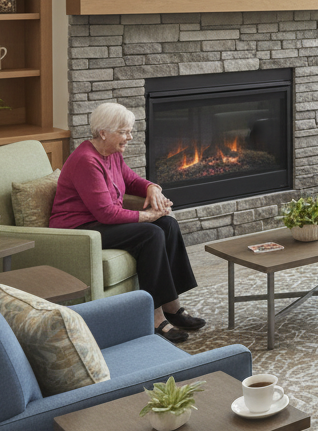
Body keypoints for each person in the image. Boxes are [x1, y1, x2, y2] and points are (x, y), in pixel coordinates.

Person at [49, 102, 204, 344]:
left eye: (129, 131)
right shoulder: (86, 160)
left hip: (100, 223)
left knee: (168, 224)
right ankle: (154, 316)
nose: (129, 137)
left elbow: (131, 181)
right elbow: (107, 214)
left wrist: (152, 188)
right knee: (151, 233)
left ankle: (172, 306)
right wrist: (148, 216)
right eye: (124, 132)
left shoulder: (111, 154)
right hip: (80, 230)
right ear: (103, 133)